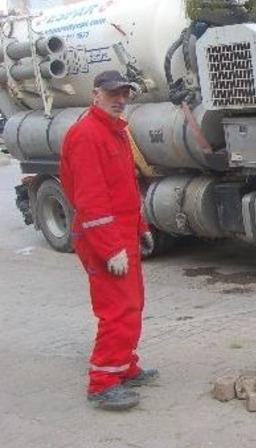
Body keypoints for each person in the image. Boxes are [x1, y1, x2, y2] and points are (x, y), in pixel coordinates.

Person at [60, 70, 158, 411]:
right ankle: (102, 382)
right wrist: (110, 248)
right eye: (113, 93)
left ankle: (124, 366)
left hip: (121, 232)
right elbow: (91, 200)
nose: (120, 99)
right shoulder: (87, 135)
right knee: (117, 308)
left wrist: (141, 226)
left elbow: (125, 188)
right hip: (103, 237)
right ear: (96, 94)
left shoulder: (114, 131)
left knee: (133, 303)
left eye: (124, 93)